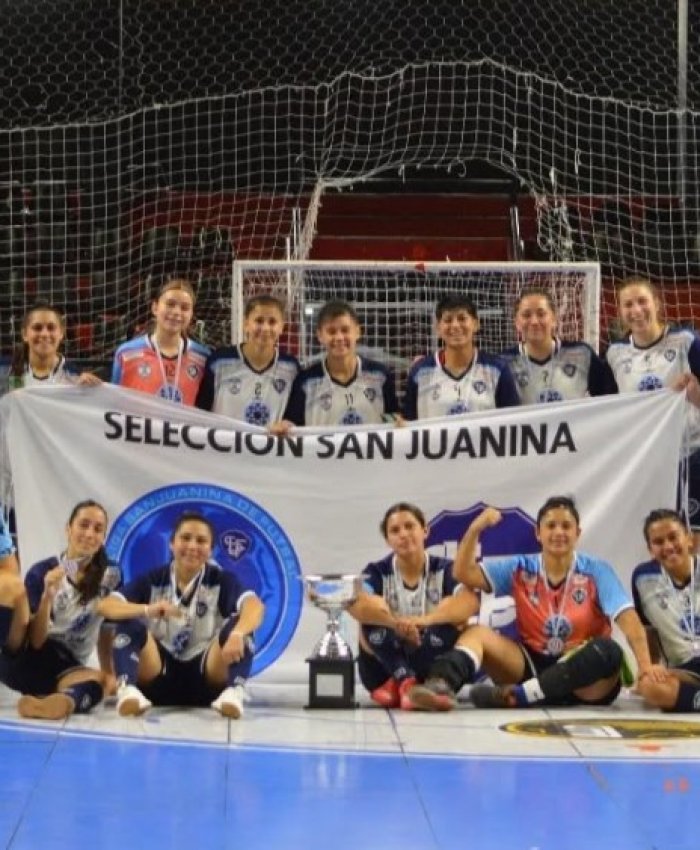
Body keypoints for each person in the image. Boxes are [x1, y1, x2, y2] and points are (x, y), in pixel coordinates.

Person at [406, 496, 665, 711]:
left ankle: (520, 696)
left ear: (578, 533)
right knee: (477, 634)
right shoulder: (521, 567)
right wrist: (475, 529)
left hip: (584, 680)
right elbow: (463, 573)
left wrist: (645, 667)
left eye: (566, 526)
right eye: (551, 526)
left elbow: (628, 619)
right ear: (538, 533)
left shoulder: (596, 571)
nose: (559, 532)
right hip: (532, 664)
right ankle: (440, 687)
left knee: (609, 651)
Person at [0, 500, 162, 720]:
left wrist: (108, 671)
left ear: (103, 538)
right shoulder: (43, 571)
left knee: (102, 681)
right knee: (13, 590)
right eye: (83, 525)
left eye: (97, 529)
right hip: (24, 656)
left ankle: (59, 703)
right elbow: (36, 641)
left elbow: (107, 627)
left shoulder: (111, 574)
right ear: (68, 528)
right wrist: (48, 595)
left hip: (64, 668)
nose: (89, 533)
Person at [106, 511, 265, 719]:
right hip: (157, 678)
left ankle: (234, 692)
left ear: (210, 550)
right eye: (185, 538)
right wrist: (146, 610)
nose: (192, 546)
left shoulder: (221, 580)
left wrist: (238, 633)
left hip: (207, 681)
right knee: (128, 623)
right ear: (172, 544)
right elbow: (107, 605)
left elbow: (255, 606)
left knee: (239, 625)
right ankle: (127, 690)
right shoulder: (153, 579)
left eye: (201, 541)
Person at [347, 502, 478, 710]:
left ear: (425, 530)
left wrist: (422, 622)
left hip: (432, 667)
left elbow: (470, 603)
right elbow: (356, 605)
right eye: (395, 530)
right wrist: (396, 624)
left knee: (455, 618)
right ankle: (407, 682)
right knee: (372, 614)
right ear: (388, 540)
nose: (403, 534)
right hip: (382, 670)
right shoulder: (377, 571)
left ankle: (401, 687)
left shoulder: (446, 568)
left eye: (409, 526)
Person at [606, 276, 700, 530]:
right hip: (644, 459)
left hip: (690, 455)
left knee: (692, 537)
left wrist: (695, 395)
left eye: (642, 301)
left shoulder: (687, 342)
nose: (636, 310)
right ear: (620, 311)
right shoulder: (614, 354)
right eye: (628, 304)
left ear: (657, 304)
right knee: (652, 534)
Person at [278, 299, 400, 427]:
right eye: (331, 331)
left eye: (345, 330)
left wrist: (397, 422)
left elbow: (392, 419)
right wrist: (285, 427)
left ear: (358, 332)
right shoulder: (305, 382)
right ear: (320, 336)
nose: (339, 337)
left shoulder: (380, 375)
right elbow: (292, 425)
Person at [403, 293, 520, 420]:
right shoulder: (420, 372)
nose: (455, 325)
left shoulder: (498, 369)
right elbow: (408, 424)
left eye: (462, 318)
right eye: (448, 320)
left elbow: (513, 422)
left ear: (476, 324)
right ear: (438, 328)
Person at [631, 508, 700, 712]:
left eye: (673, 537)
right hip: (684, 670)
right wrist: (650, 667)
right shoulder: (643, 578)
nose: (668, 546)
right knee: (649, 686)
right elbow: (647, 630)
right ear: (650, 549)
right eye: (659, 542)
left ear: (688, 538)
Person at [195, 294, 300, 426]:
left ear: (282, 327)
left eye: (272, 322)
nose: (265, 328)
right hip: (226, 444)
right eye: (259, 321)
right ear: (246, 324)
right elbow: (200, 411)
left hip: (270, 446)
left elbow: (294, 418)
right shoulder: (219, 362)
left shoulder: (291, 367)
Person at [500, 288, 615, 404]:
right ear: (517, 323)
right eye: (526, 315)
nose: (534, 321)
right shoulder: (503, 364)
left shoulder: (582, 354)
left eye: (541, 314)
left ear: (554, 319)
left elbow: (612, 400)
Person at [111, 276, 209, 405]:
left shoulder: (203, 358)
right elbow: (112, 402)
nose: (176, 312)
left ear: (191, 314)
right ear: (155, 308)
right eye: (170, 304)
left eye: (185, 308)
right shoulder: (126, 353)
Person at [7, 303, 101, 390]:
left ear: (61, 333)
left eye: (51, 328)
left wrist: (88, 391)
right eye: (37, 328)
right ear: (24, 334)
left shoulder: (76, 377)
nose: (44, 334)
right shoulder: (15, 373)